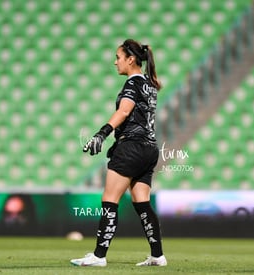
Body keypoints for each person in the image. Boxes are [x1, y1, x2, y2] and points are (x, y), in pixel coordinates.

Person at [70, 39, 167, 267]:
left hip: (131, 148)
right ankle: (157, 255)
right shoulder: (149, 85)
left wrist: (101, 134)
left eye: (118, 57)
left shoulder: (132, 84)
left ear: (130, 59)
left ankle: (99, 256)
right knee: (141, 202)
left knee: (109, 199)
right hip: (149, 149)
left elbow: (124, 112)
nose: (115, 62)